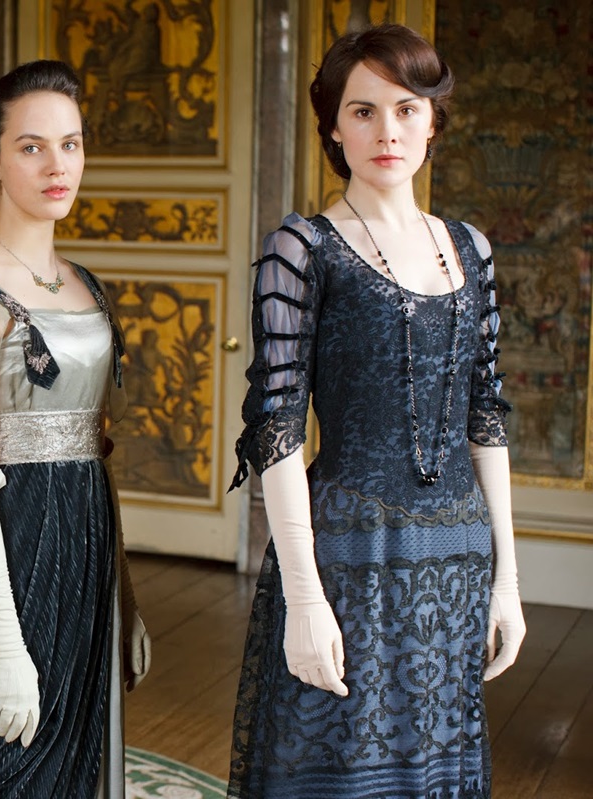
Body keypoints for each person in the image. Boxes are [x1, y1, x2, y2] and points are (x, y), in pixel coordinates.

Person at [227, 24, 525, 798]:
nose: (387, 130)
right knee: (339, 774)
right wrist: (302, 599)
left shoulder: (472, 249)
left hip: (460, 559)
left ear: (433, 119)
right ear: (332, 125)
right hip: (349, 557)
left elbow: (485, 417)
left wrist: (508, 582)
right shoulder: (303, 247)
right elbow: (278, 427)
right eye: (363, 111)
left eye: (405, 108)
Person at [0, 59, 151, 797]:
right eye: (31, 146)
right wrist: (4, 646)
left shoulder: (84, 284)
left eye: (71, 144)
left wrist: (125, 594)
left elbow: (94, 454)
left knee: (75, 767)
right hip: (3, 550)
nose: (58, 166)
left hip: (84, 543)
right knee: (1, 768)